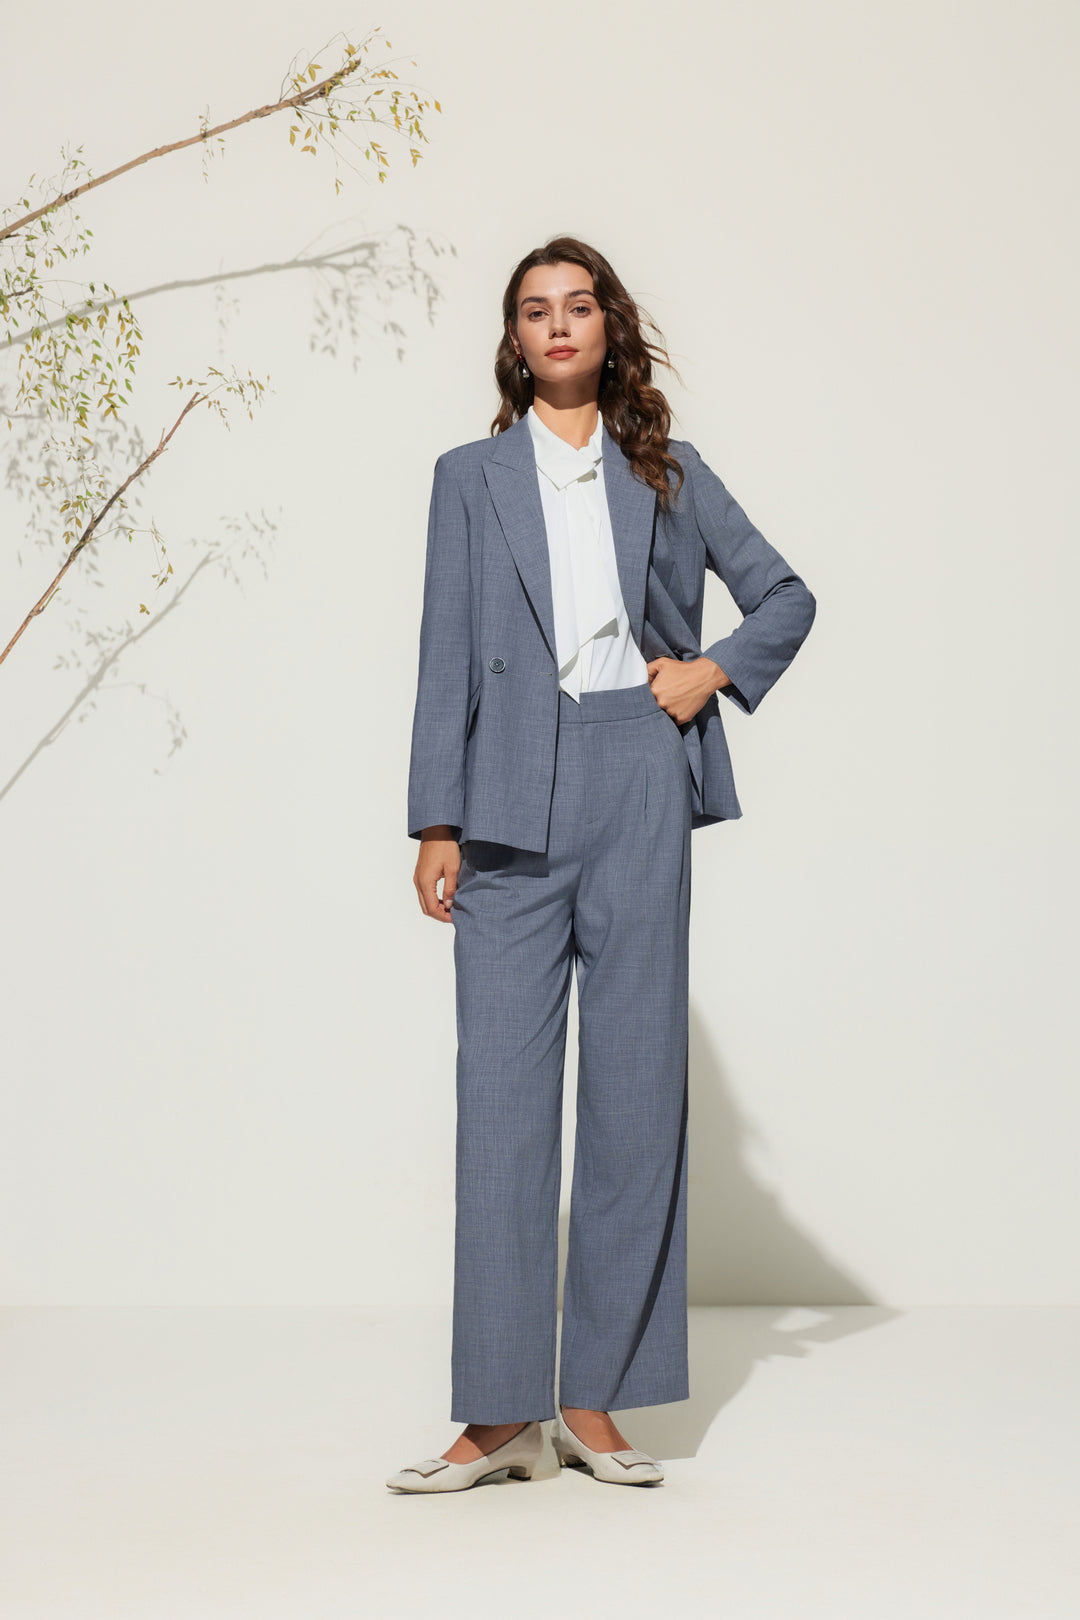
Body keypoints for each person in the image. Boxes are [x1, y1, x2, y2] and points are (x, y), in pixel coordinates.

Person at [388, 235, 817, 1493]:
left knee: (633, 1101)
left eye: (579, 306)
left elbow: (785, 595)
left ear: (608, 329)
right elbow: (445, 652)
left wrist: (710, 671)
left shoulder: (667, 471)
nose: (560, 325)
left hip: (637, 772)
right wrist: (436, 822)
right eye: (536, 311)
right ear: (515, 341)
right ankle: (498, 1417)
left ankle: (592, 1402)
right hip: (506, 796)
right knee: (501, 1111)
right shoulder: (469, 478)